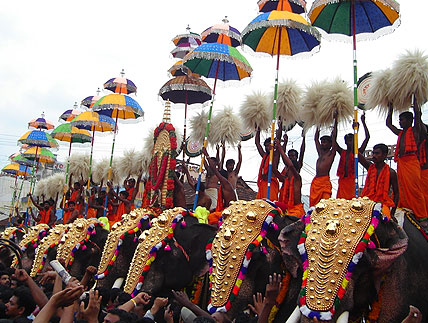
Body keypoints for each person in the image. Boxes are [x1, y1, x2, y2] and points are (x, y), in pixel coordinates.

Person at [386, 103, 427, 223]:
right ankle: (405, 209)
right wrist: (390, 108)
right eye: (399, 120)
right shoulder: (400, 133)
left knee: (414, 188)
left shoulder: (416, 130)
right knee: (401, 188)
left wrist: (416, 102)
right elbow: (388, 124)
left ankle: (422, 215)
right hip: (401, 162)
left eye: (402, 120)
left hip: (412, 161)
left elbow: (418, 117)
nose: (400, 122)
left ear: (410, 120)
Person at [358, 144, 398, 219]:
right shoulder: (370, 167)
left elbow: (396, 193)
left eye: (377, 153)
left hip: (383, 204)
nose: (374, 155)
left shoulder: (391, 172)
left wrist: (392, 213)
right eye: (373, 153)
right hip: (367, 202)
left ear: (384, 155)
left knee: (385, 223)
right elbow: (359, 156)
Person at [335, 114, 370, 199]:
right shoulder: (342, 152)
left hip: (352, 181)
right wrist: (335, 122)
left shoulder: (358, 152)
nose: (350, 142)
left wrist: (362, 124)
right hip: (343, 181)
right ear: (345, 142)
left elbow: (367, 138)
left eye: (351, 140)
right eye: (348, 140)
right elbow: (334, 141)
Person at [310, 113, 338, 206]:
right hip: (316, 182)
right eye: (322, 142)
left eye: (325, 142)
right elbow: (315, 139)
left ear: (330, 144)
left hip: (325, 182)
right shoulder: (320, 153)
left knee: (325, 205)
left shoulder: (331, 153)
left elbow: (334, 137)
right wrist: (318, 123)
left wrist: (335, 121)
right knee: (314, 207)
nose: (322, 143)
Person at [275, 139, 305, 217]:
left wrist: (280, 148)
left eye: (288, 170)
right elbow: (275, 171)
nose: (286, 171)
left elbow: (291, 165)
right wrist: (275, 151)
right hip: (287, 209)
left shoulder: (297, 177)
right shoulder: (286, 180)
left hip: (296, 210)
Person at [255, 130, 279, 201]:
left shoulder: (275, 155)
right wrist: (258, 129)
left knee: (271, 205)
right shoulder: (265, 155)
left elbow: (278, 139)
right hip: (263, 184)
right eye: (266, 146)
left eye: (269, 145)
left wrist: (279, 128)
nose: (267, 147)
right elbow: (257, 143)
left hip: (271, 183)